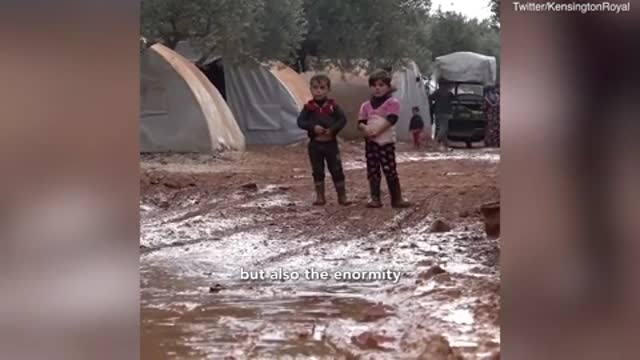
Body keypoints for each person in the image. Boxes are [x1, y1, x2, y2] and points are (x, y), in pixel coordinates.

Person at [357, 69, 411, 209]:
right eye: (374, 85)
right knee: (372, 170)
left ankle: (396, 199)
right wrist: (366, 129)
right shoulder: (365, 105)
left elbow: (391, 119)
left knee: (390, 169)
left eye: (381, 85)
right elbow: (360, 122)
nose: (377, 88)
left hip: (386, 143)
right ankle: (375, 198)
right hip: (371, 143)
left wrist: (377, 130)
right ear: (370, 87)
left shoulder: (392, 103)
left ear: (388, 87)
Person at [297, 74, 350, 206]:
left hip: (330, 144)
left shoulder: (332, 106)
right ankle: (320, 197)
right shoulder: (308, 108)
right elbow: (300, 122)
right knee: (317, 170)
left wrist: (332, 129)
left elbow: (342, 120)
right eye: (315, 88)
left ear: (328, 90)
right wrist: (313, 127)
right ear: (310, 89)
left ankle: (342, 196)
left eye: (322, 88)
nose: (318, 91)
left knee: (336, 169)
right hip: (315, 144)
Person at [430, 81, 456, 152]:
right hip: (446, 112)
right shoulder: (448, 93)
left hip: (438, 112)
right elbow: (455, 99)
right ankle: (435, 143)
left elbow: (430, 97)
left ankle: (446, 146)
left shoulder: (437, 92)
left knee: (443, 129)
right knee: (444, 128)